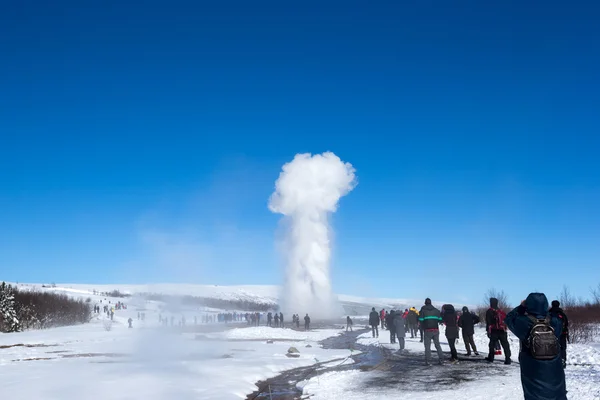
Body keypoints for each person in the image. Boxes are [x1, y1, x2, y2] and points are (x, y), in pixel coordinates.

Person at [505, 293, 567, 400]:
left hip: (532, 367)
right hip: (554, 368)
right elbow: (560, 322)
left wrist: (521, 307)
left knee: (535, 393)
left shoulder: (523, 322)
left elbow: (508, 319)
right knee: (557, 394)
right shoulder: (554, 321)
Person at [485, 297, 512, 364]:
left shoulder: (489, 311)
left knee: (492, 344)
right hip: (502, 330)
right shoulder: (500, 311)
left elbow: (488, 322)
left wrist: (488, 331)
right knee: (505, 344)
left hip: (494, 330)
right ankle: (508, 358)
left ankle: (491, 358)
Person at [419, 298, 444, 365]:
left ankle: (428, 360)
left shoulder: (423, 311)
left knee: (427, 346)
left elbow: (420, 320)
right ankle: (441, 359)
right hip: (435, 330)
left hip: (427, 330)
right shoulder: (437, 311)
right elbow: (440, 319)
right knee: (437, 345)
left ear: (425, 303)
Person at [549, 300, 569, 368]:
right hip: (562, 333)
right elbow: (566, 324)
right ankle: (562, 360)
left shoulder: (549, 314)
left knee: (551, 347)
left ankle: (552, 361)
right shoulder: (562, 314)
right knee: (562, 348)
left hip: (551, 334)